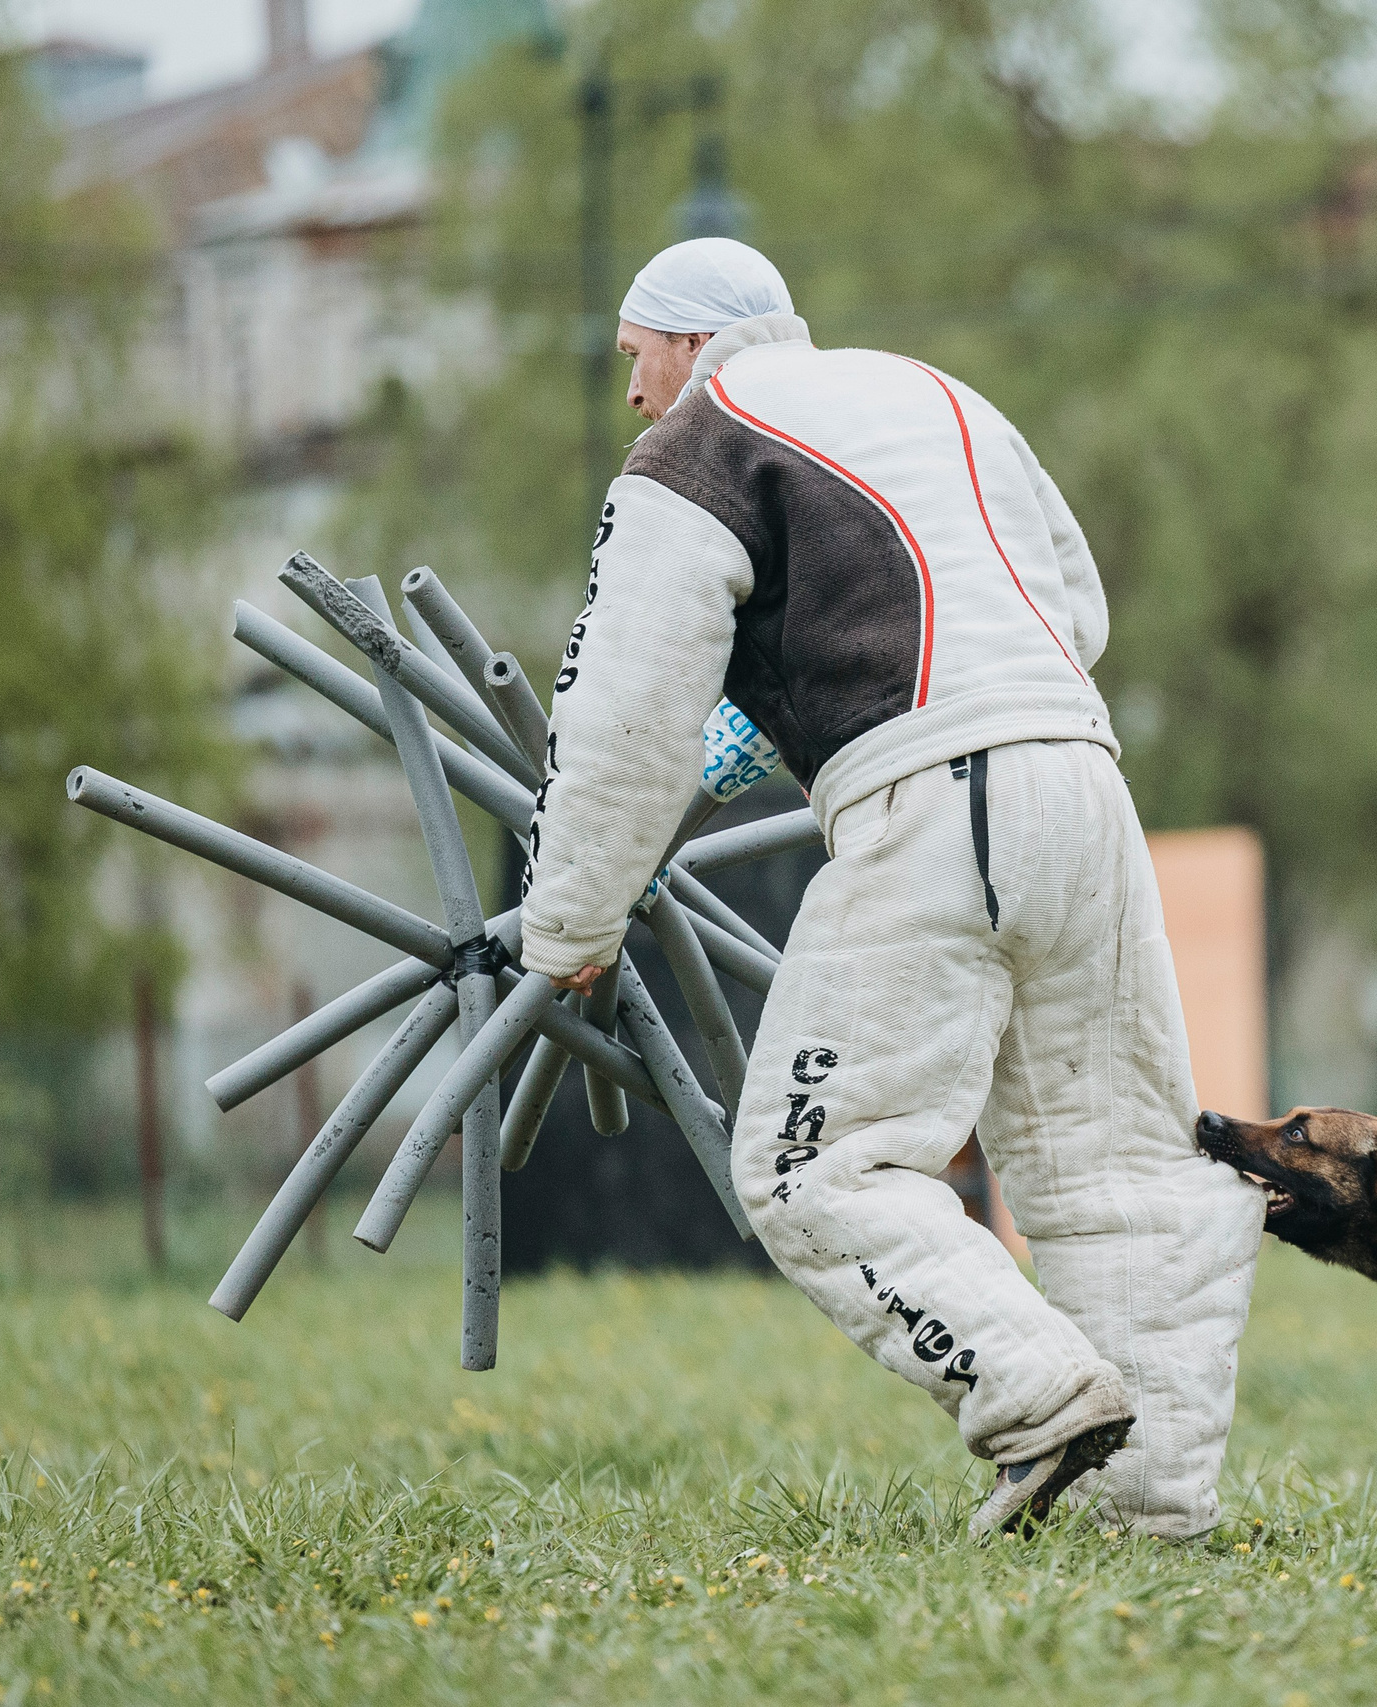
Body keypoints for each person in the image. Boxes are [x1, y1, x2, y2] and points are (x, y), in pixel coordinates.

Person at [516, 237, 1264, 1539]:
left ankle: (1037, 1397)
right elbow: (1071, 609)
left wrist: (569, 921)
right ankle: (1153, 1512)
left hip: (932, 802)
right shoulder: (936, 393)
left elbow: (624, 709)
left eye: (634, 357)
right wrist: (796, 709)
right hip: (1084, 784)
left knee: (818, 1169)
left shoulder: (697, 447)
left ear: (692, 344)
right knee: (1122, 1167)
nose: (633, 393)